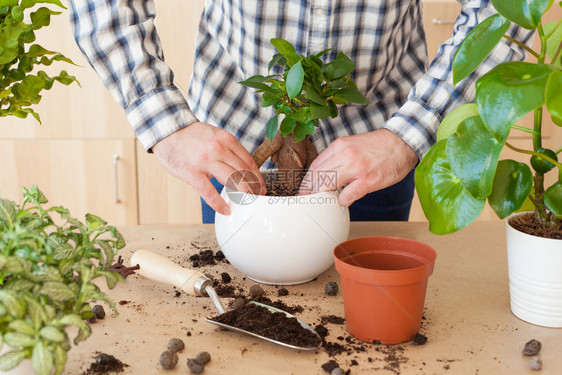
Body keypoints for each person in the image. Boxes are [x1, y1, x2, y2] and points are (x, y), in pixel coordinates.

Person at [69, 0, 532, 223]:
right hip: (237, 148)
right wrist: (164, 122)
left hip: (378, 144)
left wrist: (411, 133)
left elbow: (506, 11)